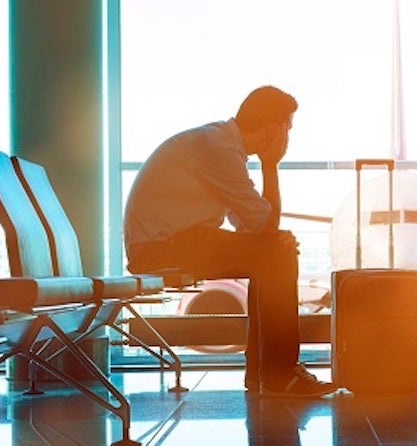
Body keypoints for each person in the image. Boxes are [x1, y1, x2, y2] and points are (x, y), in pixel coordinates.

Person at [124, 86, 337, 398]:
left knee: (272, 254)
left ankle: (266, 372)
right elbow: (266, 225)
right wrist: (271, 165)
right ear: (273, 128)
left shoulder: (221, 146)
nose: (288, 137)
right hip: (163, 246)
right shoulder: (219, 149)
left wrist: (273, 239)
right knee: (276, 256)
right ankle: (278, 373)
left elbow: (254, 228)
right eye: (287, 128)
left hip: (171, 241)